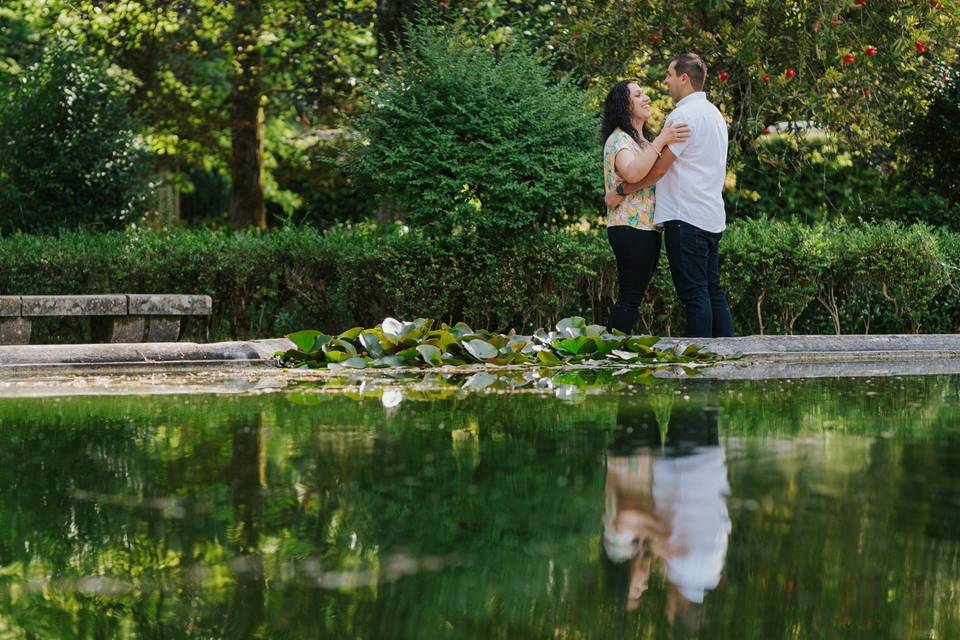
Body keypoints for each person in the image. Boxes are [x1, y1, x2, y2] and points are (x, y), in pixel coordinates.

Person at [605, 54, 734, 338]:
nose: (665, 81)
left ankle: (700, 363)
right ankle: (726, 357)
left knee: (694, 294)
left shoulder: (682, 116)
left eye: (669, 75)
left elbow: (659, 169)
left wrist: (621, 191)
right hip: (711, 215)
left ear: (684, 78)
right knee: (711, 289)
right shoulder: (715, 114)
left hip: (686, 216)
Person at [601, 80, 690, 335]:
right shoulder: (619, 139)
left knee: (633, 295)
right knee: (630, 295)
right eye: (638, 95)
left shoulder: (642, 140)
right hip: (629, 227)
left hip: (646, 228)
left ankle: (615, 349)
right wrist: (662, 138)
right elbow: (632, 172)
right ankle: (611, 353)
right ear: (624, 104)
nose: (646, 98)